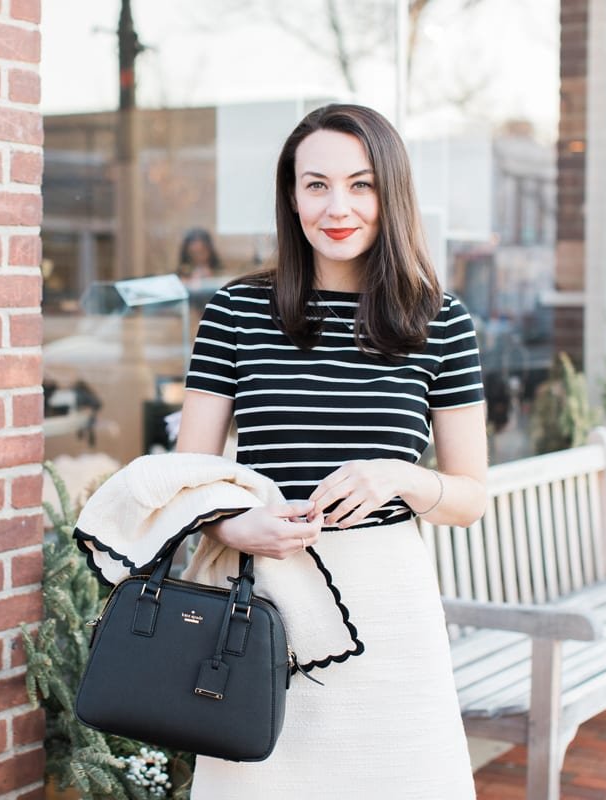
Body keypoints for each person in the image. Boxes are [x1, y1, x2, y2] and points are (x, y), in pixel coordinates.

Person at [176, 104, 487, 798]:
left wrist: (400, 476)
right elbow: (188, 479)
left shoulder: (440, 320)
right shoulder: (235, 312)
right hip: (261, 607)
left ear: (391, 194)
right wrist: (232, 526)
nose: (337, 206)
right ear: (292, 196)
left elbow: (470, 498)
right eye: (315, 184)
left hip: (389, 607)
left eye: (361, 184)